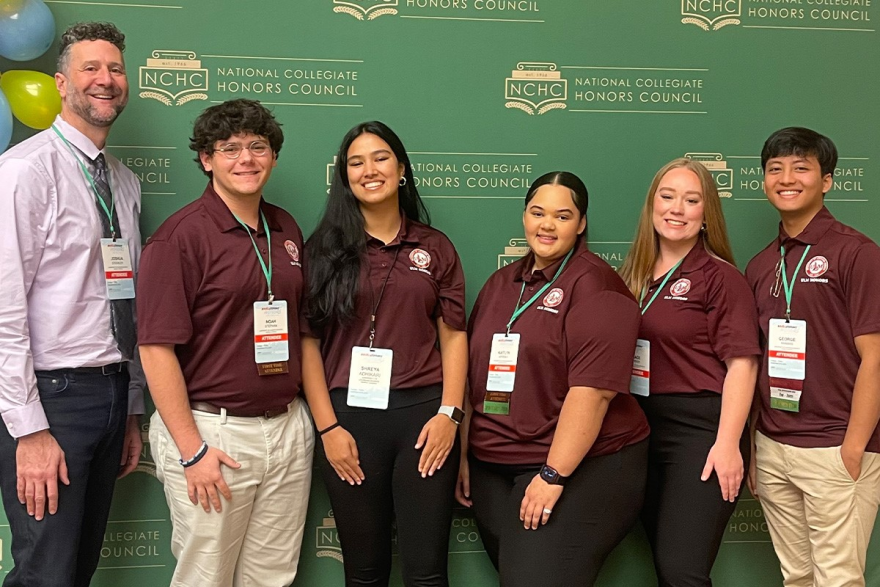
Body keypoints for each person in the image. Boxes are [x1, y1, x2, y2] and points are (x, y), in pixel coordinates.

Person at [137, 99, 314, 587]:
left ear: (274, 155)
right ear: (206, 159)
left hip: (285, 428)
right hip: (213, 433)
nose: (246, 159)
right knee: (205, 578)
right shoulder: (180, 238)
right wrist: (192, 451)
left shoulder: (286, 228)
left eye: (258, 146)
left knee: (271, 577)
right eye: (229, 148)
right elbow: (155, 350)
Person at [0, 22, 144, 587]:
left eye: (114, 69)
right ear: (61, 84)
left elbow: (124, 298)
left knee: (77, 571)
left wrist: (129, 405)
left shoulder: (125, 184)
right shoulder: (25, 171)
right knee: (46, 574)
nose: (105, 80)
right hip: (50, 402)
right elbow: (3, 308)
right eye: (90, 69)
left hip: (108, 393)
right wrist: (28, 429)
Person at [458, 171, 649, 587]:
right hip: (495, 466)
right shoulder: (499, 285)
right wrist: (463, 454)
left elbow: (594, 394)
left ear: (581, 224)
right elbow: (474, 380)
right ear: (524, 216)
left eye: (562, 216)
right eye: (537, 212)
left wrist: (552, 475)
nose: (546, 225)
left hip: (577, 467)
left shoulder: (597, 285)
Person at [303, 120, 467, 587]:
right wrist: (328, 427)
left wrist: (450, 415)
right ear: (344, 176)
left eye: (380, 158)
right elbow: (308, 344)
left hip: (424, 420)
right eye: (356, 162)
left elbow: (454, 336)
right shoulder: (322, 251)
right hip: (349, 422)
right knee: (364, 573)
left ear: (401, 170)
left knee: (427, 572)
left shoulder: (434, 247)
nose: (369, 170)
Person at [745, 127, 880, 587]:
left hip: (835, 447)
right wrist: (754, 446)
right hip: (774, 446)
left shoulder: (856, 253)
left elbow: (876, 356)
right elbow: (755, 362)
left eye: (801, 168)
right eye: (775, 168)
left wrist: (854, 447)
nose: (787, 178)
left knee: (838, 579)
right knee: (797, 577)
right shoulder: (761, 265)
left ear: (826, 181)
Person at [618, 158, 760, 587]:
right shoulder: (631, 277)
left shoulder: (720, 277)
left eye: (691, 199)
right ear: (651, 205)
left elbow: (743, 365)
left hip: (700, 433)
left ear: (706, 214)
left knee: (683, 571)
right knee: (665, 566)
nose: (677, 208)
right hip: (640, 432)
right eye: (667, 196)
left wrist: (728, 443)